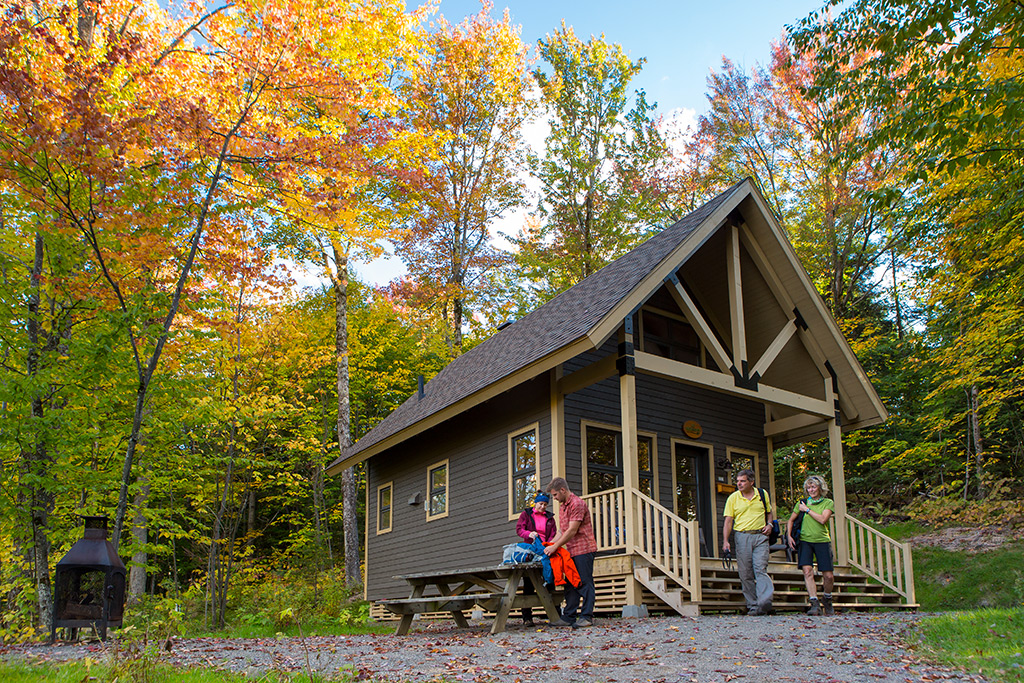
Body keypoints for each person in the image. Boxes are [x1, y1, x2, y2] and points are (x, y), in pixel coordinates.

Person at [543, 477, 597, 628]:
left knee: (585, 582)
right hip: (571, 551)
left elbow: (572, 530)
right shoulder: (563, 507)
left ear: (563, 490)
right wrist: (548, 545)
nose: (554, 498)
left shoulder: (577, 504)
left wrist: (555, 547)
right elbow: (562, 531)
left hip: (584, 549)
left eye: (555, 495)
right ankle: (568, 617)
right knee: (571, 584)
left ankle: (586, 617)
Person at [722, 469, 775, 615]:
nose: (739, 484)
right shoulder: (733, 498)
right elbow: (728, 521)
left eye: (742, 481)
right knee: (745, 572)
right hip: (742, 536)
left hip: (760, 536)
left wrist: (770, 525)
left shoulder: (762, 494)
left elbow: (769, 513)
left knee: (760, 568)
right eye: (738, 481)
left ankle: (764, 602)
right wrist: (726, 541)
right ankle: (753, 605)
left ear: (751, 482)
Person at [786, 474, 836, 616]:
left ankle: (827, 597)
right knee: (807, 571)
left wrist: (807, 510)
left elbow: (822, 519)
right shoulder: (801, 503)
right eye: (808, 488)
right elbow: (791, 520)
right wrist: (789, 536)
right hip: (805, 541)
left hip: (822, 541)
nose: (811, 490)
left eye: (813, 487)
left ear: (820, 488)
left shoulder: (827, 503)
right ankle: (814, 603)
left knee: (828, 576)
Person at [515, 492, 557, 625]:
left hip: (546, 550)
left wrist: (548, 545)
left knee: (550, 581)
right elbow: (519, 529)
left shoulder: (550, 518)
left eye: (545, 504)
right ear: (535, 503)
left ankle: (555, 615)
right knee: (529, 583)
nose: (543, 507)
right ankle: (527, 617)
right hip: (531, 550)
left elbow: (554, 534)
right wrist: (529, 534)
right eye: (541, 504)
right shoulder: (526, 514)